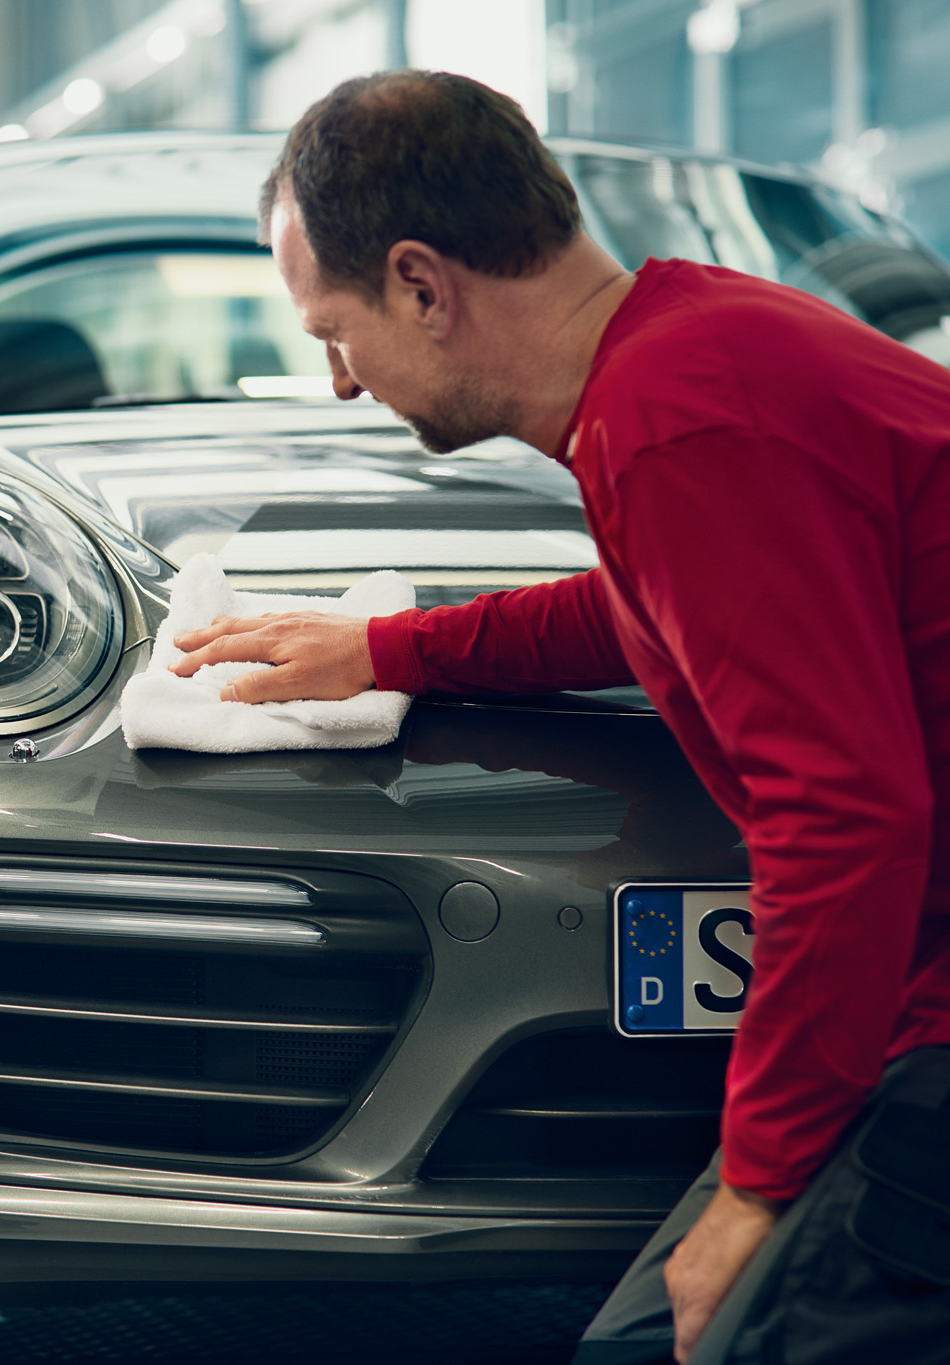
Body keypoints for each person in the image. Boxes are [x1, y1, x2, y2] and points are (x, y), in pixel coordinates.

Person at [173, 72, 950, 1364]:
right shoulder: (686, 346)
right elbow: (653, 605)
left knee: (682, 1337)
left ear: (423, 287)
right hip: (917, 993)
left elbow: (850, 818)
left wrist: (754, 1192)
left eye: (336, 333)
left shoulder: (674, 422)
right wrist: (384, 649)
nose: (341, 386)